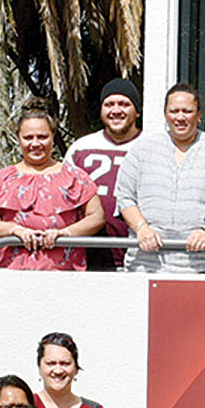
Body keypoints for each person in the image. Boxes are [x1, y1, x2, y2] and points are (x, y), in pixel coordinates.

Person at [116, 82, 205, 273]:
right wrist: (141, 228)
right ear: (166, 114)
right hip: (147, 264)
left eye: (187, 111)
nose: (180, 117)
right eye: (174, 111)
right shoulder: (142, 150)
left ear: (199, 115)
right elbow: (125, 197)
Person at [0, 107, 105, 271]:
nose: (35, 143)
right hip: (13, 275)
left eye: (42, 137)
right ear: (19, 138)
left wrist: (66, 233)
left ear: (52, 137)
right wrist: (14, 230)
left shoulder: (76, 177)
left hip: (66, 275)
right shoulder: (1, 179)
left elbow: (97, 217)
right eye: (28, 137)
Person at [65, 78, 143, 270]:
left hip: (141, 253)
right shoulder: (81, 147)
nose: (116, 110)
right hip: (90, 253)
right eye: (109, 104)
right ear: (101, 111)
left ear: (137, 111)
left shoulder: (153, 146)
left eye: (124, 104)